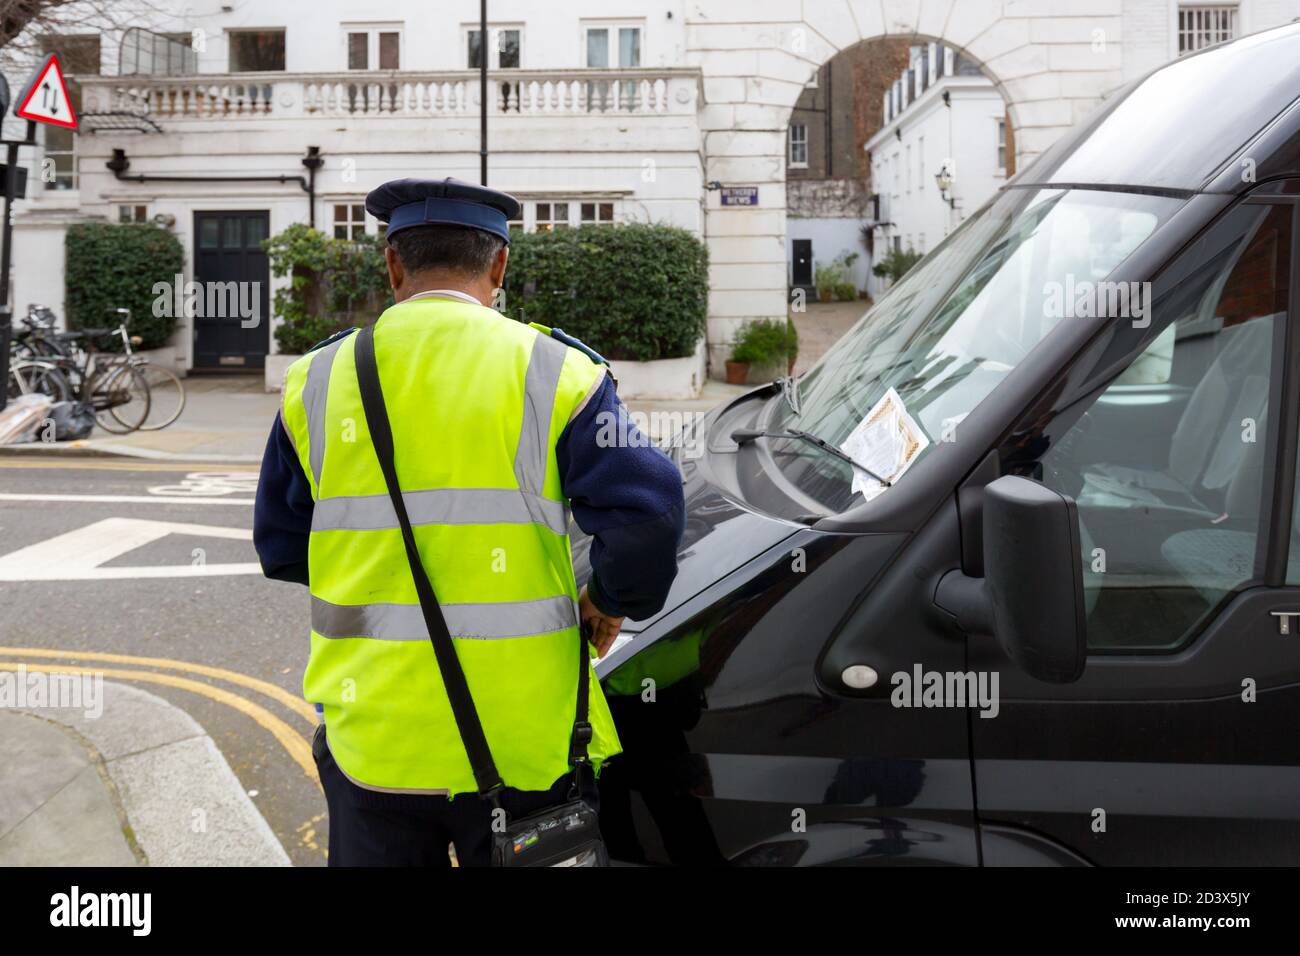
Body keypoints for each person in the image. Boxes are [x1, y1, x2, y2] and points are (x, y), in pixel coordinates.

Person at [253, 177, 684, 866]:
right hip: (524, 742)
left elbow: (281, 547)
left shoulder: (317, 380)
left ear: (393, 265)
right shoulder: (558, 371)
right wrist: (606, 599)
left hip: (375, 743)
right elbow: (651, 514)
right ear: (500, 265)